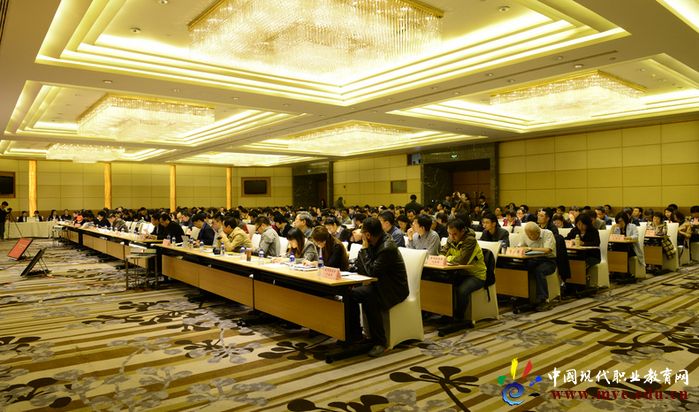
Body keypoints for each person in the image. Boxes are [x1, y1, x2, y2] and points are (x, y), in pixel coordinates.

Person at [348, 217, 408, 357]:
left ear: (368, 235)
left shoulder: (387, 247)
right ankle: (356, 335)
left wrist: (364, 249)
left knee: (367, 295)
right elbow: (362, 267)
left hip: (393, 288)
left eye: (363, 233)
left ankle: (380, 342)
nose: (362, 236)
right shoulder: (375, 242)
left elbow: (371, 271)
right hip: (380, 284)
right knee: (350, 293)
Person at [439, 218, 487, 324]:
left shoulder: (470, 240)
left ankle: (459, 318)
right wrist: (443, 257)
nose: (452, 237)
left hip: (476, 275)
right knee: (444, 284)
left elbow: (462, 260)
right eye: (449, 234)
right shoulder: (451, 239)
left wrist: (447, 258)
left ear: (463, 231)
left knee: (461, 290)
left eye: (454, 234)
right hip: (460, 272)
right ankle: (448, 313)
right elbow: (442, 253)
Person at [521, 222, 558, 311]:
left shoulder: (548, 233)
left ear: (538, 232)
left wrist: (530, 249)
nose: (529, 237)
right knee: (520, 268)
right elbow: (520, 247)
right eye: (528, 235)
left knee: (539, 271)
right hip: (533, 259)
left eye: (531, 235)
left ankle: (543, 299)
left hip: (548, 261)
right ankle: (523, 297)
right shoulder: (526, 234)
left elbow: (547, 250)